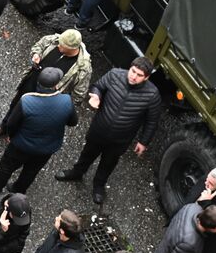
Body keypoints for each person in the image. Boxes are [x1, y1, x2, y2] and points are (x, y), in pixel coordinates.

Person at [56, 56, 161, 206]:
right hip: (99, 130)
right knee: (87, 153)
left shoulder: (152, 95)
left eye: (139, 75)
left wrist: (144, 142)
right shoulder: (114, 75)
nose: (133, 77)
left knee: (108, 162)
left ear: (147, 77)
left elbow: (152, 121)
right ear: (130, 68)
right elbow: (98, 86)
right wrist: (96, 96)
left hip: (120, 139)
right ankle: (77, 172)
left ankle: (98, 185)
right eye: (133, 71)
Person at [0, 68, 77, 199]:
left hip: (21, 145)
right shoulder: (66, 100)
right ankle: (18, 190)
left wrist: (10, 136)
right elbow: (72, 122)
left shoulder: (27, 100)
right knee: (31, 171)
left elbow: (12, 123)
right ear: (56, 85)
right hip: (47, 147)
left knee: (6, 168)